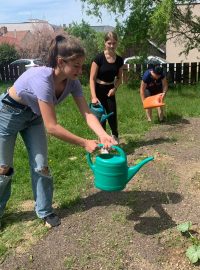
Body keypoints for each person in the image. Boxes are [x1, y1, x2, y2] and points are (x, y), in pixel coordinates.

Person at [0, 34, 116, 228]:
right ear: (61, 62)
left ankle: (44, 211)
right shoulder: (42, 80)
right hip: (9, 114)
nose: (81, 70)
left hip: (34, 117)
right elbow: (52, 127)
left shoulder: (73, 82)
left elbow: (87, 113)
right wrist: (84, 142)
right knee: (4, 169)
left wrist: (102, 134)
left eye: (82, 65)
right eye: (76, 65)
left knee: (41, 165)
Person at [89, 31, 124, 143]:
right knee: (101, 118)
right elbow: (91, 79)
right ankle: (103, 144)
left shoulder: (119, 60)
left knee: (112, 116)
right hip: (98, 90)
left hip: (110, 91)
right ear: (105, 43)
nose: (112, 46)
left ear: (117, 43)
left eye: (114, 43)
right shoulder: (98, 58)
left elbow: (119, 78)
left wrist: (114, 88)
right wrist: (94, 97)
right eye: (109, 43)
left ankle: (115, 138)